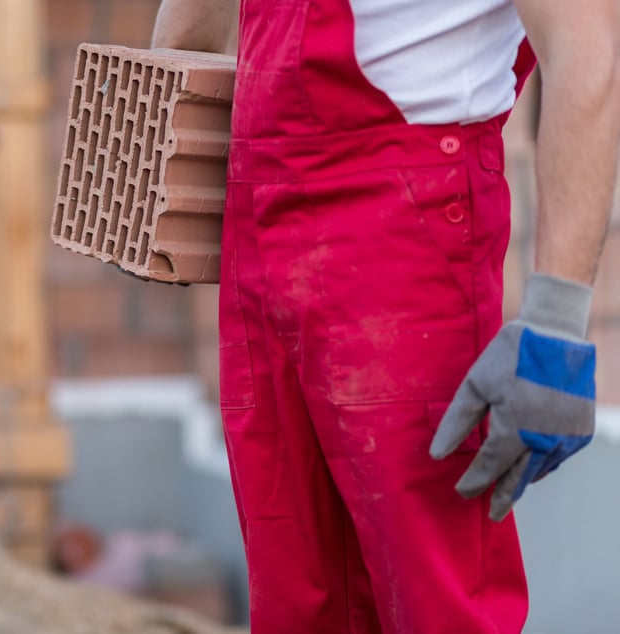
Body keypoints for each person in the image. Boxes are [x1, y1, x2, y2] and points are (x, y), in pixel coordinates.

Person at [153, 1, 620, 632]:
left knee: (437, 606)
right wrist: (154, 142)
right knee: (299, 603)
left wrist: (557, 324)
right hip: (260, 213)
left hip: (403, 228)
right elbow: (194, 23)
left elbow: (589, 50)